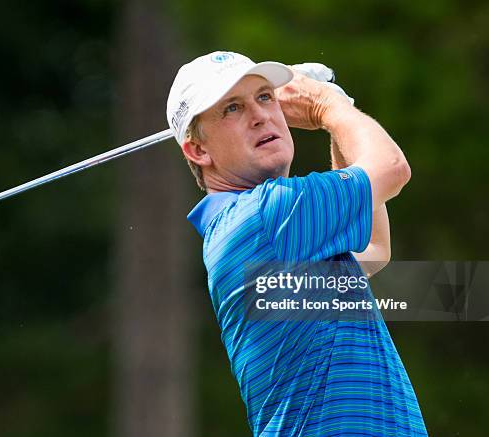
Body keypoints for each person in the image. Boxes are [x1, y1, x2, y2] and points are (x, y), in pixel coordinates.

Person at [166, 51, 428, 436]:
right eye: (233, 108)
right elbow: (392, 168)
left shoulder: (261, 227)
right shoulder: (266, 215)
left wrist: (337, 114)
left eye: (264, 97)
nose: (260, 115)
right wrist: (327, 105)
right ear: (198, 150)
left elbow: (372, 248)